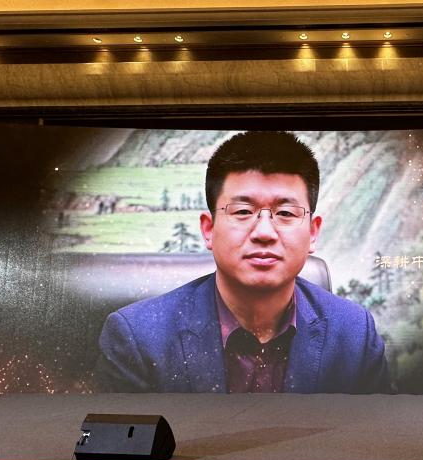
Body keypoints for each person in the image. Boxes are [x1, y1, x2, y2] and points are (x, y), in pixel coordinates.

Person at [95, 131, 391, 393]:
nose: (264, 232)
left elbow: (377, 435)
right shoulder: (139, 337)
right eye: (242, 212)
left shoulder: (354, 334)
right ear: (208, 229)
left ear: (313, 233)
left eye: (285, 213)